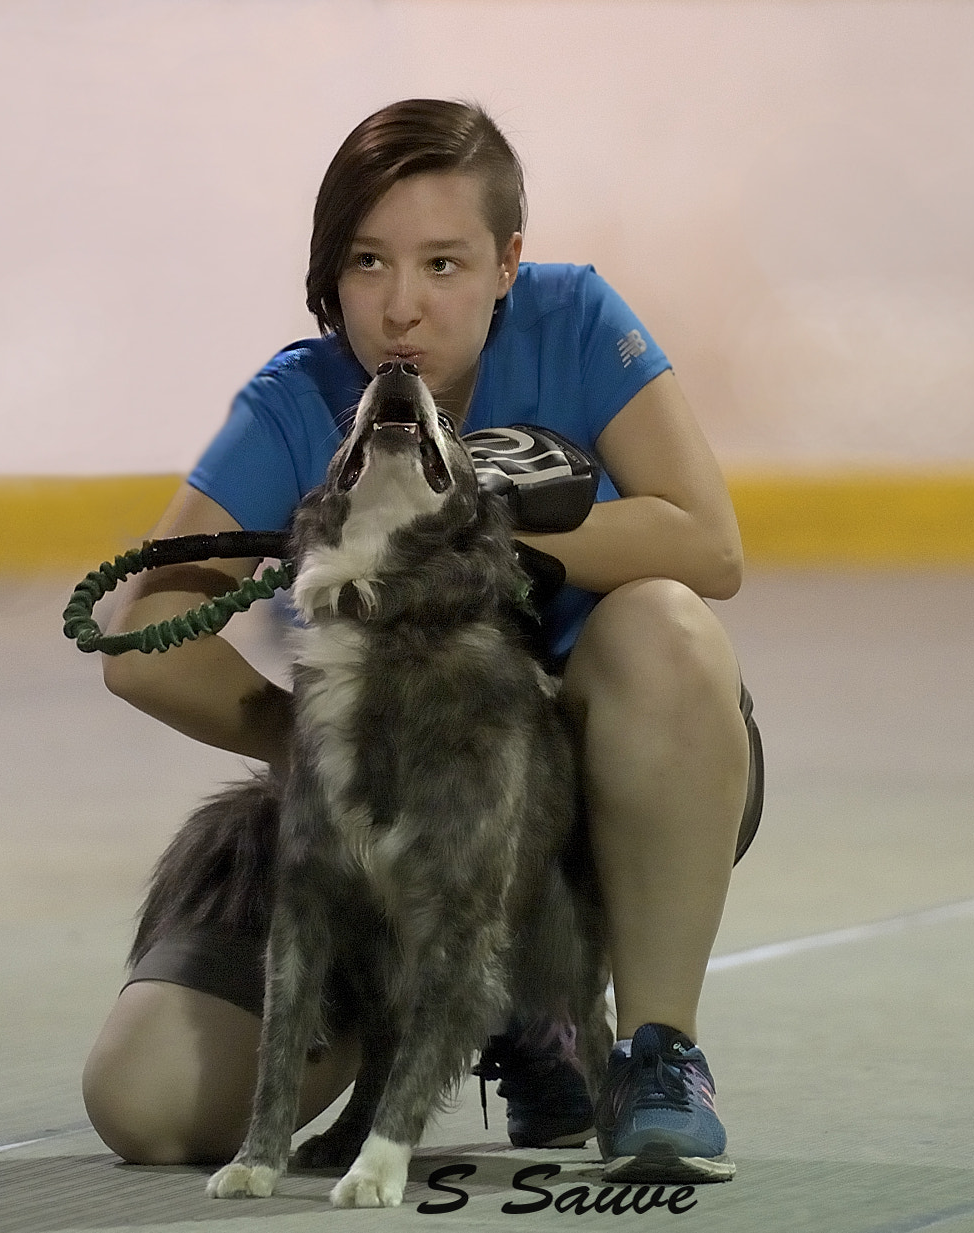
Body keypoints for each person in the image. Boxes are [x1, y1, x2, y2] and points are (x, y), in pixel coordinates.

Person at [81, 98, 759, 1186]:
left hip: (568, 801)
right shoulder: (300, 399)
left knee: (668, 627)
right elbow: (141, 635)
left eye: (444, 264)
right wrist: (327, 745)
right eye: (367, 262)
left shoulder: (576, 320)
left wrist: (506, 527)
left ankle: (647, 1051)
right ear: (329, 271)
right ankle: (490, 1019)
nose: (402, 307)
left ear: (507, 264)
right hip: (381, 834)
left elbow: (708, 545)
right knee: (147, 1105)